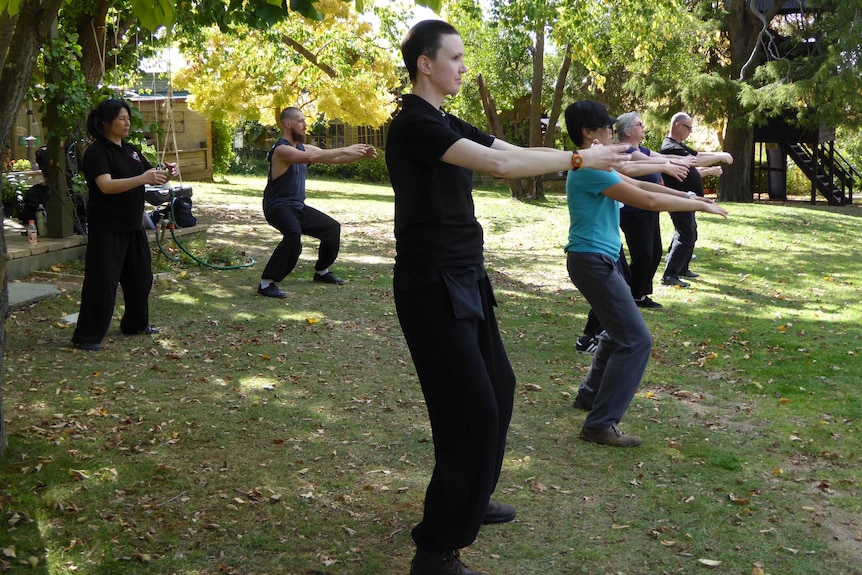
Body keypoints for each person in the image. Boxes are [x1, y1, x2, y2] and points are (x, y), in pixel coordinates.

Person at [385, 20, 631, 575]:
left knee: (498, 387)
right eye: (456, 57)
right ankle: (436, 551)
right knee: (469, 408)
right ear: (425, 63)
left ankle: (469, 497)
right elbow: (498, 166)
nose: (464, 67)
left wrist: (610, 157)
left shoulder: (445, 118)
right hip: (429, 285)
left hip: (466, 277)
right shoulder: (414, 124)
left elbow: (513, 149)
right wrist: (578, 160)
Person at [564, 100, 728, 448]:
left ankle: (590, 397)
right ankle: (599, 425)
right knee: (636, 340)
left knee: (616, 331)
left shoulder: (599, 166)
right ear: (588, 133)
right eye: (606, 128)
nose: (612, 133)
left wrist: (691, 197)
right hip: (592, 261)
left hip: (600, 259)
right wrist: (696, 203)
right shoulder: (591, 170)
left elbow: (649, 187)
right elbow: (646, 201)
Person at [71, 98, 178, 351]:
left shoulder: (130, 150)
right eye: (121, 117)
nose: (127, 121)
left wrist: (167, 171)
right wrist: (142, 177)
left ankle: (135, 324)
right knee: (103, 283)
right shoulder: (97, 152)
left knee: (141, 278)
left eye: (128, 117)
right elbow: (106, 185)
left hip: (133, 225)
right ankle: (86, 336)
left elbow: (152, 176)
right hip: (107, 227)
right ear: (105, 123)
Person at [256, 107, 377, 298]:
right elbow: (312, 157)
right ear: (288, 124)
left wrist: (360, 154)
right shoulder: (281, 150)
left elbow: (335, 158)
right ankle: (266, 283)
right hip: (277, 206)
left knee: (331, 228)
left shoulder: (303, 148)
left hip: (297, 207)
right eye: (300, 121)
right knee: (293, 234)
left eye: (305, 121)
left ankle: (321, 271)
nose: (305, 125)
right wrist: (346, 148)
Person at [659, 112, 733, 287]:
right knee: (685, 235)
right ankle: (670, 275)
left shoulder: (679, 145)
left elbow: (697, 156)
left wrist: (712, 165)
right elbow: (697, 160)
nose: (690, 132)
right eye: (688, 128)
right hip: (679, 197)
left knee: (691, 232)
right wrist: (720, 156)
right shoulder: (670, 147)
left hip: (688, 197)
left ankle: (682, 268)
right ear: (677, 126)